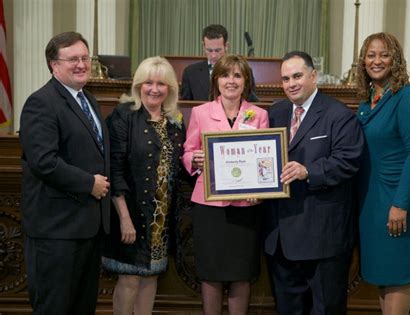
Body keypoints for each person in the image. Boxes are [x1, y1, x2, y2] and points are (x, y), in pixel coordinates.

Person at [264, 51, 364, 315]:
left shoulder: (339, 115)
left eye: (297, 76)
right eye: (285, 79)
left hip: (322, 237)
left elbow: (348, 161)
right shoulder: (275, 113)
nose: (291, 83)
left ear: (313, 76)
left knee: (325, 308)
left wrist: (308, 171)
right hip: (281, 238)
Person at [19, 31, 110, 314]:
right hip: (56, 231)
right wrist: (89, 184)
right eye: (73, 59)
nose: (82, 64)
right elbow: (43, 162)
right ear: (54, 65)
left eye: (84, 57)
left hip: (87, 228)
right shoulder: (41, 103)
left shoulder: (89, 101)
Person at [183, 54, 269, 314]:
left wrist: (262, 190)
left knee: (241, 274)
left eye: (237, 75)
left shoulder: (260, 115)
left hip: (246, 207)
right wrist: (194, 160)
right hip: (210, 207)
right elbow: (187, 151)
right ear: (216, 80)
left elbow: (265, 159)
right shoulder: (200, 112)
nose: (230, 81)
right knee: (211, 273)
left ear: (246, 81)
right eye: (225, 75)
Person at [102, 56, 185, 314]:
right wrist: (124, 218)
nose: (154, 89)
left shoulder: (175, 121)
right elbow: (114, 169)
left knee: (150, 278)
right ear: (138, 85)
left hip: (161, 219)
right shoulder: (124, 115)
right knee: (129, 280)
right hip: (130, 213)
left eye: (161, 83)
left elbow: (181, 164)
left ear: (169, 88)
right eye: (148, 82)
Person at [355, 32, 410, 315]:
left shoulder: (407, 97)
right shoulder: (368, 101)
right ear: (363, 61)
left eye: (384, 54)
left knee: (398, 273)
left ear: (395, 59)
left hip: (400, 195)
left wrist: (400, 204)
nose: (377, 61)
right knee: (383, 272)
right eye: (371, 55)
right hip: (373, 198)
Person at [180, 24, 258, 102]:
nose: (213, 55)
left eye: (218, 50)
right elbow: (186, 106)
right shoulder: (190, 73)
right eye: (209, 50)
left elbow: (251, 102)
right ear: (203, 46)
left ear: (226, 46)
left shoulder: (243, 70)